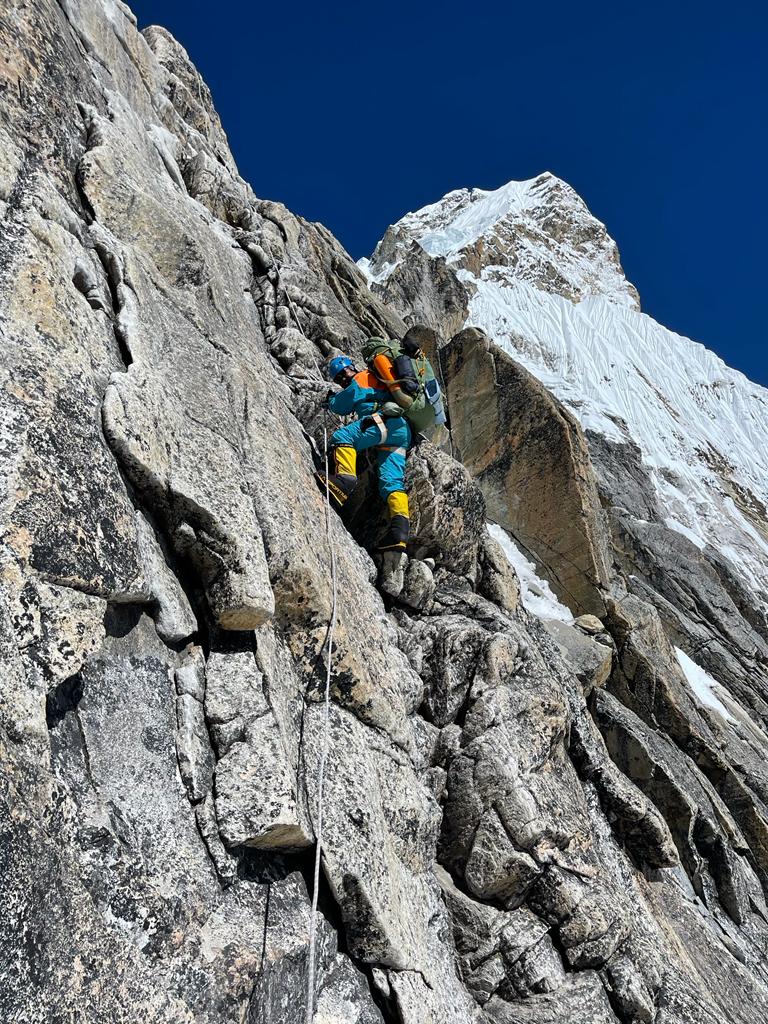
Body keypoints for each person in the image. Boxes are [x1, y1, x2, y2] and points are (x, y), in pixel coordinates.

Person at [316, 354, 411, 552]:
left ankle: (344, 482)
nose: (343, 378)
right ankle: (399, 532)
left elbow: (342, 405)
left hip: (381, 422)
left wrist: (331, 401)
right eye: (339, 378)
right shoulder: (379, 378)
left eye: (343, 374)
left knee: (343, 437)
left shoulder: (362, 379)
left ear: (352, 368)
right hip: (402, 431)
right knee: (391, 481)